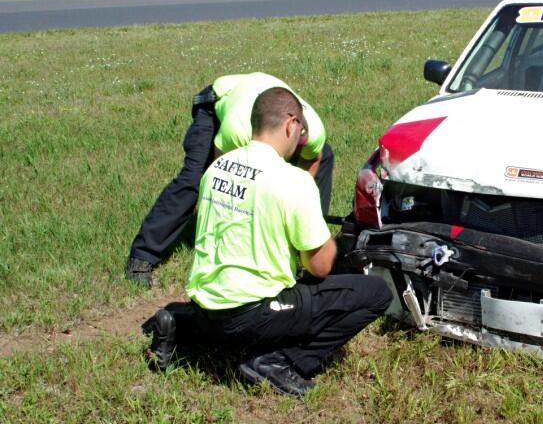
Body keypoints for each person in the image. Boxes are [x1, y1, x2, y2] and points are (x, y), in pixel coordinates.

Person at [151, 87, 392, 397]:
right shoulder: (292, 179)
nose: (301, 140)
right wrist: (336, 244)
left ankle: (179, 325)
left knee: (226, 320)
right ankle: (279, 362)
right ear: (291, 124)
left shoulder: (216, 168)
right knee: (375, 293)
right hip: (252, 314)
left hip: (204, 305)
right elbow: (317, 267)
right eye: (301, 132)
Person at [126, 72, 334, 287]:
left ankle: (309, 245)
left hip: (266, 103)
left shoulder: (313, 135)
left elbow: (314, 159)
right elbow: (222, 176)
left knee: (325, 156)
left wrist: (296, 200)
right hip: (217, 104)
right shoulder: (238, 130)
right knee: (194, 179)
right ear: (289, 127)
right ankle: (143, 256)